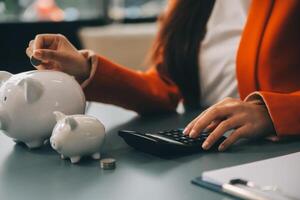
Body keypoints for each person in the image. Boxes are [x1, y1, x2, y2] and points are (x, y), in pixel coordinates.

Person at [26, 0, 300, 152]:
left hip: (278, 155)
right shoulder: (186, 7)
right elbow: (164, 89)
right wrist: (84, 68)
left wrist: (271, 113)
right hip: (210, 153)